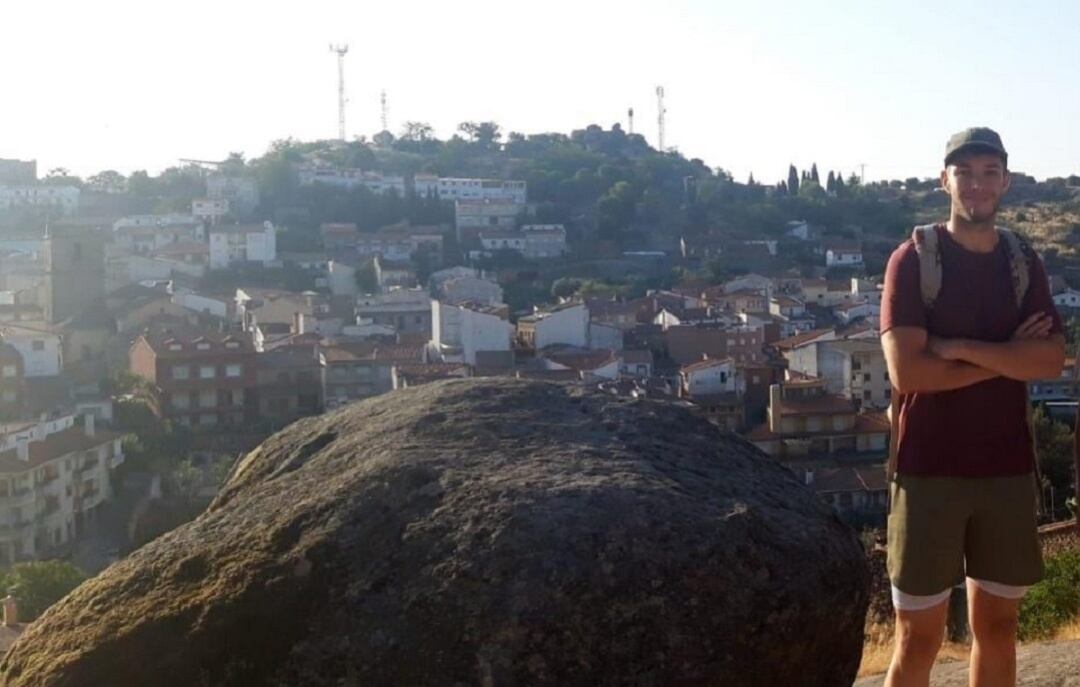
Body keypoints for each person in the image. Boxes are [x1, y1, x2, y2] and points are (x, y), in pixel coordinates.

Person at [880, 127, 1066, 687]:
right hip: (927, 470)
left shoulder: (1022, 262)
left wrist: (958, 351)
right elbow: (908, 373)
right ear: (945, 181)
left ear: (1005, 182)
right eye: (965, 173)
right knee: (918, 638)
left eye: (989, 173)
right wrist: (1010, 358)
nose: (977, 185)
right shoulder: (913, 260)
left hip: (1006, 470)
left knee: (1001, 628)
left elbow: (1052, 361)